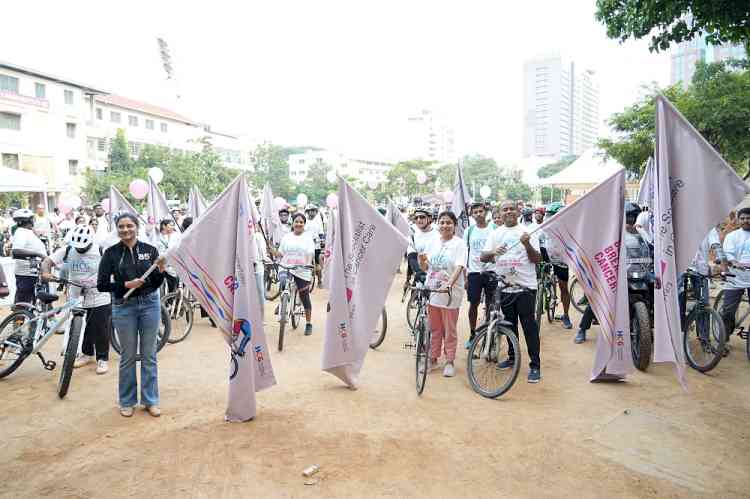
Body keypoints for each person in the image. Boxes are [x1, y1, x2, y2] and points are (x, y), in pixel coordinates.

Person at [97, 213, 167, 418]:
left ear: (137, 227)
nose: (126, 230)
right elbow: (101, 285)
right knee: (127, 356)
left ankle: (150, 400)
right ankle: (127, 401)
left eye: (129, 226)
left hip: (150, 305)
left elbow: (155, 282)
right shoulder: (110, 253)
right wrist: (125, 285)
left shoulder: (149, 250)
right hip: (123, 306)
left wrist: (161, 272)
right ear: (116, 229)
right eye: (121, 227)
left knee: (149, 355)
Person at [481, 200, 542, 383]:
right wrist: (493, 252)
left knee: (529, 327)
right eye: (505, 209)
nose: (508, 212)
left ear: (518, 211)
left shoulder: (528, 232)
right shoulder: (495, 233)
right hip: (505, 288)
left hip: (525, 287)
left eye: (511, 209)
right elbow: (483, 256)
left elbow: (537, 259)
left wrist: (527, 244)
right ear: (500, 212)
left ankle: (535, 365)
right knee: (509, 326)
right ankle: (512, 357)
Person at [41, 224, 111, 374]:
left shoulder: (101, 250)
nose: (80, 249)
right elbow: (47, 261)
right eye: (77, 247)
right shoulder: (68, 249)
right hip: (76, 293)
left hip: (98, 293)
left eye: (82, 247)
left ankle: (102, 359)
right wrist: (46, 272)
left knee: (100, 327)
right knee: (80, 325)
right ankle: (86, 354)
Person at [418, 211, 467, 377]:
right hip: (433, 292)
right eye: (442, 222)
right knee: (435, 328)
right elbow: (426, 268)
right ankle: (432, 359)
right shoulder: (433, 242)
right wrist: (421, 260)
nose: (445, 225)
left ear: (454, 226)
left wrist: (449, 285)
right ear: (438, 224)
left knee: (449, 329)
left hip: (450, 294)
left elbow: (460, 267)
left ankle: (450, 361)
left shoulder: (459, 244)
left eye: (449, 223)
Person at [273, 213, 315, 335]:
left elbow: (310, 253)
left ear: (304, 224)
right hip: (286, 267)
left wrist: (308, 263)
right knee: (282, 282)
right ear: (293, 223)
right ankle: (283, 302)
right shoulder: (287, 237)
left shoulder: (308, 237)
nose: (299, 224)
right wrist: (273, 252)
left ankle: (308, 323)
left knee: (304, 296)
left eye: (301, 222)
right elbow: (281, 253)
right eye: (297, 221)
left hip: (302, 269)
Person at [463, 202, 496, 347]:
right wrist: (465, 276)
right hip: (474, 272)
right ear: (472, 214)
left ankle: (488, 333)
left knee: (491, 303)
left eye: (480, 211)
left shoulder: (494, 228)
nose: (478, 214)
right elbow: (465, 253)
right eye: (475, 212)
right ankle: (472, 333)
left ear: (485, 212)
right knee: (473, 303)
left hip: (491, 271)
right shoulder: (469, 230)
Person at [719, 207, 750, 345]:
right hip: (735, 278)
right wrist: (734, 262)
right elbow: (728, 254)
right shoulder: (732, 236)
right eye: (743, 218)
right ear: (738, 220)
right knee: (728, 312)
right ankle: (723, 341)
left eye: (748, 218)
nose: (746, 220)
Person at [539, 204, 573, 329]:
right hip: (547, 260)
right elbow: (540, 245)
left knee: (563, 288)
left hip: (561, 262)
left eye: (551, 215)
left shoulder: (566, 229)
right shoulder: (543, 229)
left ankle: (566, 315)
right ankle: (546, 296)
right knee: (541, 281)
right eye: (548, 215)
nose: (548, 218)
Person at [11, 208, 47, 304]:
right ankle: (18, 318)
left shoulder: (27, 231)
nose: (33, 220)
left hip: (35, 272)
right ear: (28, 220)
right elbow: (16, 251)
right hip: (26, 275)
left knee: (42, 300)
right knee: (23, 302)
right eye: (32, 218)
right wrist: (38, 254)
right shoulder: (21, 232)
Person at [405, 207, 440, 288]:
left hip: (438, 276)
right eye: (416, 218)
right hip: (421, 275)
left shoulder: (439, 233)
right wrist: (418, 271)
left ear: (429, 218)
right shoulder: (412, 235)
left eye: (422, 217)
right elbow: (411, 256)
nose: (418, 220)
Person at [156, 219, 180, 293]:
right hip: (161, 265)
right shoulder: (158, 237)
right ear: (164, 226)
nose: (173, 226)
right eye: (171, 224)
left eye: (173, 225)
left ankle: (172, 301)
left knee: (173, 286)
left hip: (173, 266)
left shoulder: (177, 236)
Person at [304, 204, 326, 281]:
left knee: (317, 263)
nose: (312, 213)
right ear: (307, 212)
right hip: (305, 244)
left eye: (313, 211)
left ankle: (319, 280)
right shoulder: (304, 221)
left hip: (316, 245)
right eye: (310, 211)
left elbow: (321, 232)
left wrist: (322, 241)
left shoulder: (318, 220)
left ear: (316, 212)